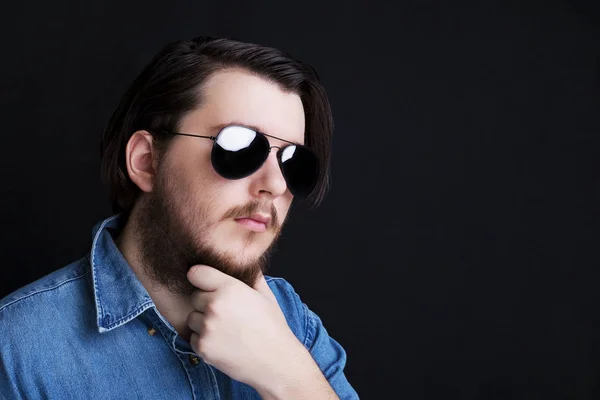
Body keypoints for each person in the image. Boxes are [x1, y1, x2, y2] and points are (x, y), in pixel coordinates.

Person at [0, 36, 358, 399]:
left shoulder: (292, 324)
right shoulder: (17, 351)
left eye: (293, 162)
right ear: (146, 161)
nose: (275, 184)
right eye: (240, 147)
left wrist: (288, 375)